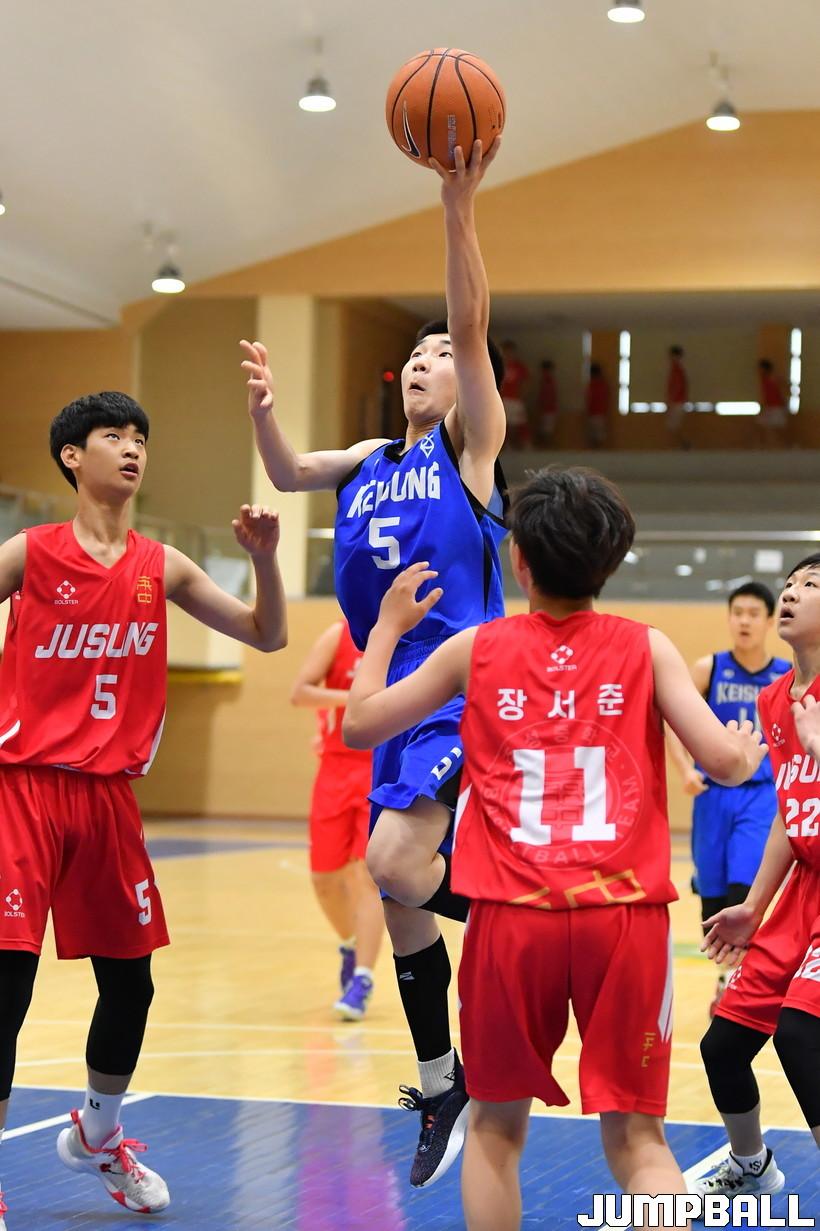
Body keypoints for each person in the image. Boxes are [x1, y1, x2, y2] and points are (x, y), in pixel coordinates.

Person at [343, 466, 765, 1231]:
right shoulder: (649, 647)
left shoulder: (475, 648)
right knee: (639, 1141)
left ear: (519, 560)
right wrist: (743, 746)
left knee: (495, 1131)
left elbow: (360, 723)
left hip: (511, 919)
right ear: (612, 559)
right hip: (623, 919)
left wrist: (384, 630)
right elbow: (725, 762)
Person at [241, 137, 507, 1187]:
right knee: (399, 905)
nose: (431, 358)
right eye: (419, 352)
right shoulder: (367, 459)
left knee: (395, 865)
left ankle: (538, 920)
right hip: (386, 693)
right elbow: (285, 470)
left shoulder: (469, 451)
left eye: (443, 352)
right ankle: (442, 1079)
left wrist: (457, 205)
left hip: (457, 684)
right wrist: (264, 414)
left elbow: (472, 324)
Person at [0, 391, 287, 1228]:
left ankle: (98, 1135)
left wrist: (267, 558)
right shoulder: (31, 552)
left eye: (139, 438)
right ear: (71, 456)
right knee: (5, 988)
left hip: (108, 798)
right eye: (112, 436)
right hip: (22, 789)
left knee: (132, 985)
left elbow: (267, 632)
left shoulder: (163, 566)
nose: (131, 449)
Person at [697, 553, 820, 1198]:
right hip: (801, 892)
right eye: (791, 584)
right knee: (722, 1045)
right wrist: (754, 906)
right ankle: (752, 1165)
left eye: (812, 585)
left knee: (802, 1034)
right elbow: (789, 809)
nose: (793, 593)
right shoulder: (776, 699)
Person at [666, 582, 790, 1013]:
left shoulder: (785, 674)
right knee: (713, 888)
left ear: (770, 621)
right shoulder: (709, 668)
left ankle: (735, 981)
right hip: (714, 795)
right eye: (738, 613)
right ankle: (726, 973)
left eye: (754, 614)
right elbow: (671, 718)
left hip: (761, 794)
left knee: (744, 878)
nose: (744, 621)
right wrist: (685, 770)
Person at [290, 618, 384, 1020]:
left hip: (380, 768)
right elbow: (300, 692)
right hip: (335, 768)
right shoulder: (338, 635)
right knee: (324, 879)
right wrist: (354, 699)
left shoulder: (409, 635)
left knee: (367, 876)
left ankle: (363, 978)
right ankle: (350, 943)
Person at [500, 340, 531, 449]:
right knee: (504, 424)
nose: (508, 355)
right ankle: (506, 445)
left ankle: (525, 444)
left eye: (510, 352)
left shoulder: (520, 367)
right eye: (506, 352)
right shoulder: (498, 365)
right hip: (502, 400)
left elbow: (526, 382)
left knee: (520, 423)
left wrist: (522, 394)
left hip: (516, 399)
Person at [758, 359, 788, 449]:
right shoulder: (763, 379)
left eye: (760, 368)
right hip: (769, 407)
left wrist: (784, 405)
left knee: (777, 428)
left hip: (777, 406)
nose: (759, 371)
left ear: (765, 368)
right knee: (765, 427)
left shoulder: (774, 378)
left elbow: (784, 390)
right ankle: (769, 445)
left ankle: (779, 445)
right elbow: (765, 394)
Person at [666, 345, 689, 448]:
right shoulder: (675, 369)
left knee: (674, 426)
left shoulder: (677, 370)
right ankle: (682, 444)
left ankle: (684, 444)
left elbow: (678, 386)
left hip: (677, 402)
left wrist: (671, 400)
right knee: (673, 426)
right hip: (677, 401)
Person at [584, 362, 609, 448]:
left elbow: (589, 399)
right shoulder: (603, 384)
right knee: (597, 436)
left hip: (595, 413)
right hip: (599, 413)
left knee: (595, 436)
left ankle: (596, 450)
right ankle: (597, 450)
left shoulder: (592, 385)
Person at [536, 359, 558, 446]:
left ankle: (547, 445)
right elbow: (545, 394)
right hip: (547, 408)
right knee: (545, 429)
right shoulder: (546, 380)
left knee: (547, 429)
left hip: (548, 408)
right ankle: (546, 445)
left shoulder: (547, 380)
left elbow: (548, 395)